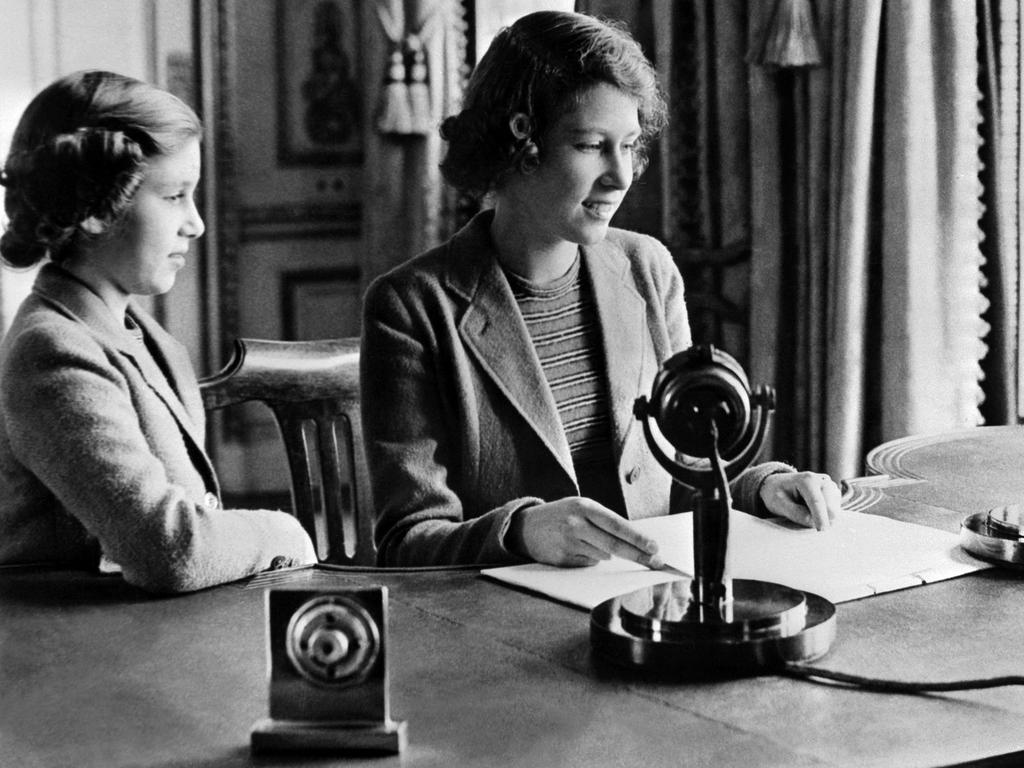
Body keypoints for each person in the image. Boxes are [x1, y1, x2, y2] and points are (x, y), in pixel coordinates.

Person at [361, 11, 843, 568]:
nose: (622, 176)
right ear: (519, 143)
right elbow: (405, 540)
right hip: (504, 631)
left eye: (631, 145)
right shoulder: (410, 306)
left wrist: (764, 487)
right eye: (592, 145)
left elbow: (682, 472)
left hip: (651, 606)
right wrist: (520, 532)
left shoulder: (647, 268)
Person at [0, 70, 316, 593]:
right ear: (98, 208)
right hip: (70, 655)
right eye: (174, 196)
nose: (196, 223)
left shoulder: (141, 335)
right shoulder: (51, 351)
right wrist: (285, 532)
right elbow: (172, 549)